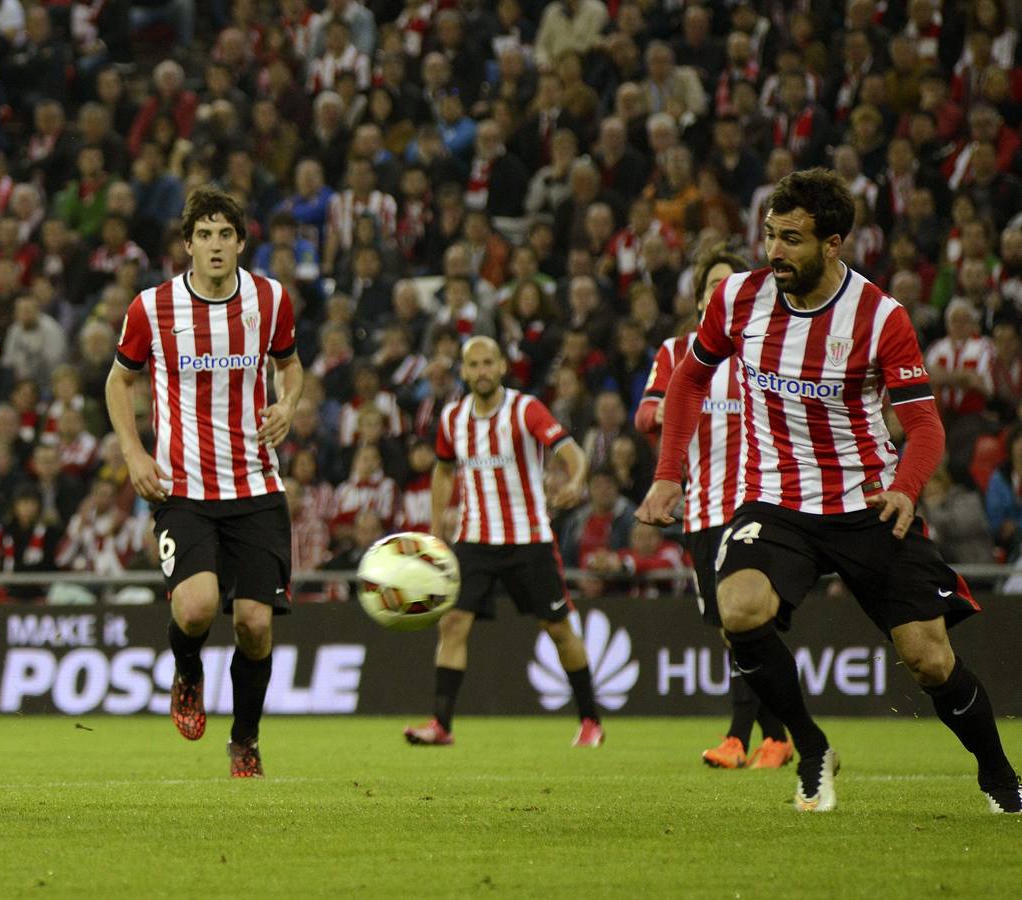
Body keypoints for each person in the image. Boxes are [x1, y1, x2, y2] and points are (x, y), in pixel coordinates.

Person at [637, 168, 1021, 814]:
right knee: (739, 610)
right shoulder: (738, 299)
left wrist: (905, 487)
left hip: (867, 505)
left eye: (791, 239)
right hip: (777, 502)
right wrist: (668, 472)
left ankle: (1000, 779)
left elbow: (925, 424)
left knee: (928, 660)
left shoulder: (878, 317)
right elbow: (687, 381)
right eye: (769, 235)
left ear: (834, 242)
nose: (774, 252)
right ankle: (811, 750)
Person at [106, 186, 303, 778]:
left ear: (241, 243)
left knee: (255, 624)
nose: (215, 245)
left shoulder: (270, 300)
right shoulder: (151, 308)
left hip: (256, 487)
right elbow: (119, 382)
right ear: (186, 244)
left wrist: (289, 403)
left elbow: (291, 366)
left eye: (226, 234)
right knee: (195, 608)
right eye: (204, 234)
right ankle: (187, 671)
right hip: (183, 489)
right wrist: (134, 455)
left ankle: (245, 740)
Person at [634, 244, 793, 771]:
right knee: (735, 632)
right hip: (700, 507)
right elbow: (645, 414)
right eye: (711, 287)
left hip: (753, 505)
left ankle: (738, 738)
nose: (720, 295)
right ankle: (779, 735)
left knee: (744, 623)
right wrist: (661, 412)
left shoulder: (762, 350)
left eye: (730, 284)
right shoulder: (677, 352)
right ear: (702, 299)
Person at [404, 336, 602, 749]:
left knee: (558, 628)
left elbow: (571, 453)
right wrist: (436, 527)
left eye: (488, 363)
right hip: (475, 540)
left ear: (501, 367)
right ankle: (441, 725)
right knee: (452, 623)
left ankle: (590, 720)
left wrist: (577, 481)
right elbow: (443, 472)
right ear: (463, 371)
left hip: (528, 538)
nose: (481, 371)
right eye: (473, 364)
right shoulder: (452, 418)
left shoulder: (525, 409)